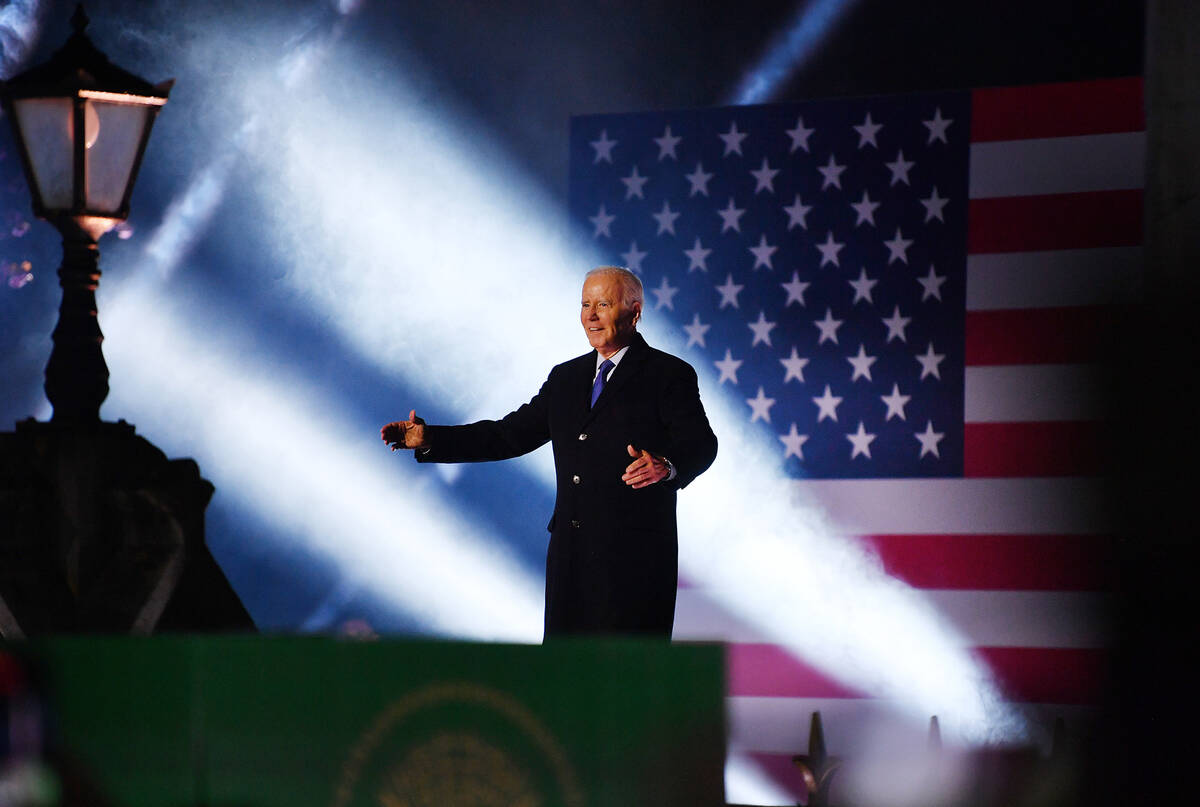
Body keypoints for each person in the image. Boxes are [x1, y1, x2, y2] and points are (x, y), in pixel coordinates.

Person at [381, 266, 717, 639]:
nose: (590, 315)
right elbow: (507, 435)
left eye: (603, 304)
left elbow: (702, 444)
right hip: (570, 560)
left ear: (634, 312)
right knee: (565, 681)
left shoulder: (669, 374)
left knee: (624, 686)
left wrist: (667, 467)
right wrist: (430, 438)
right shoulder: (566, 378)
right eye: (585, 304)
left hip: (634, 563)